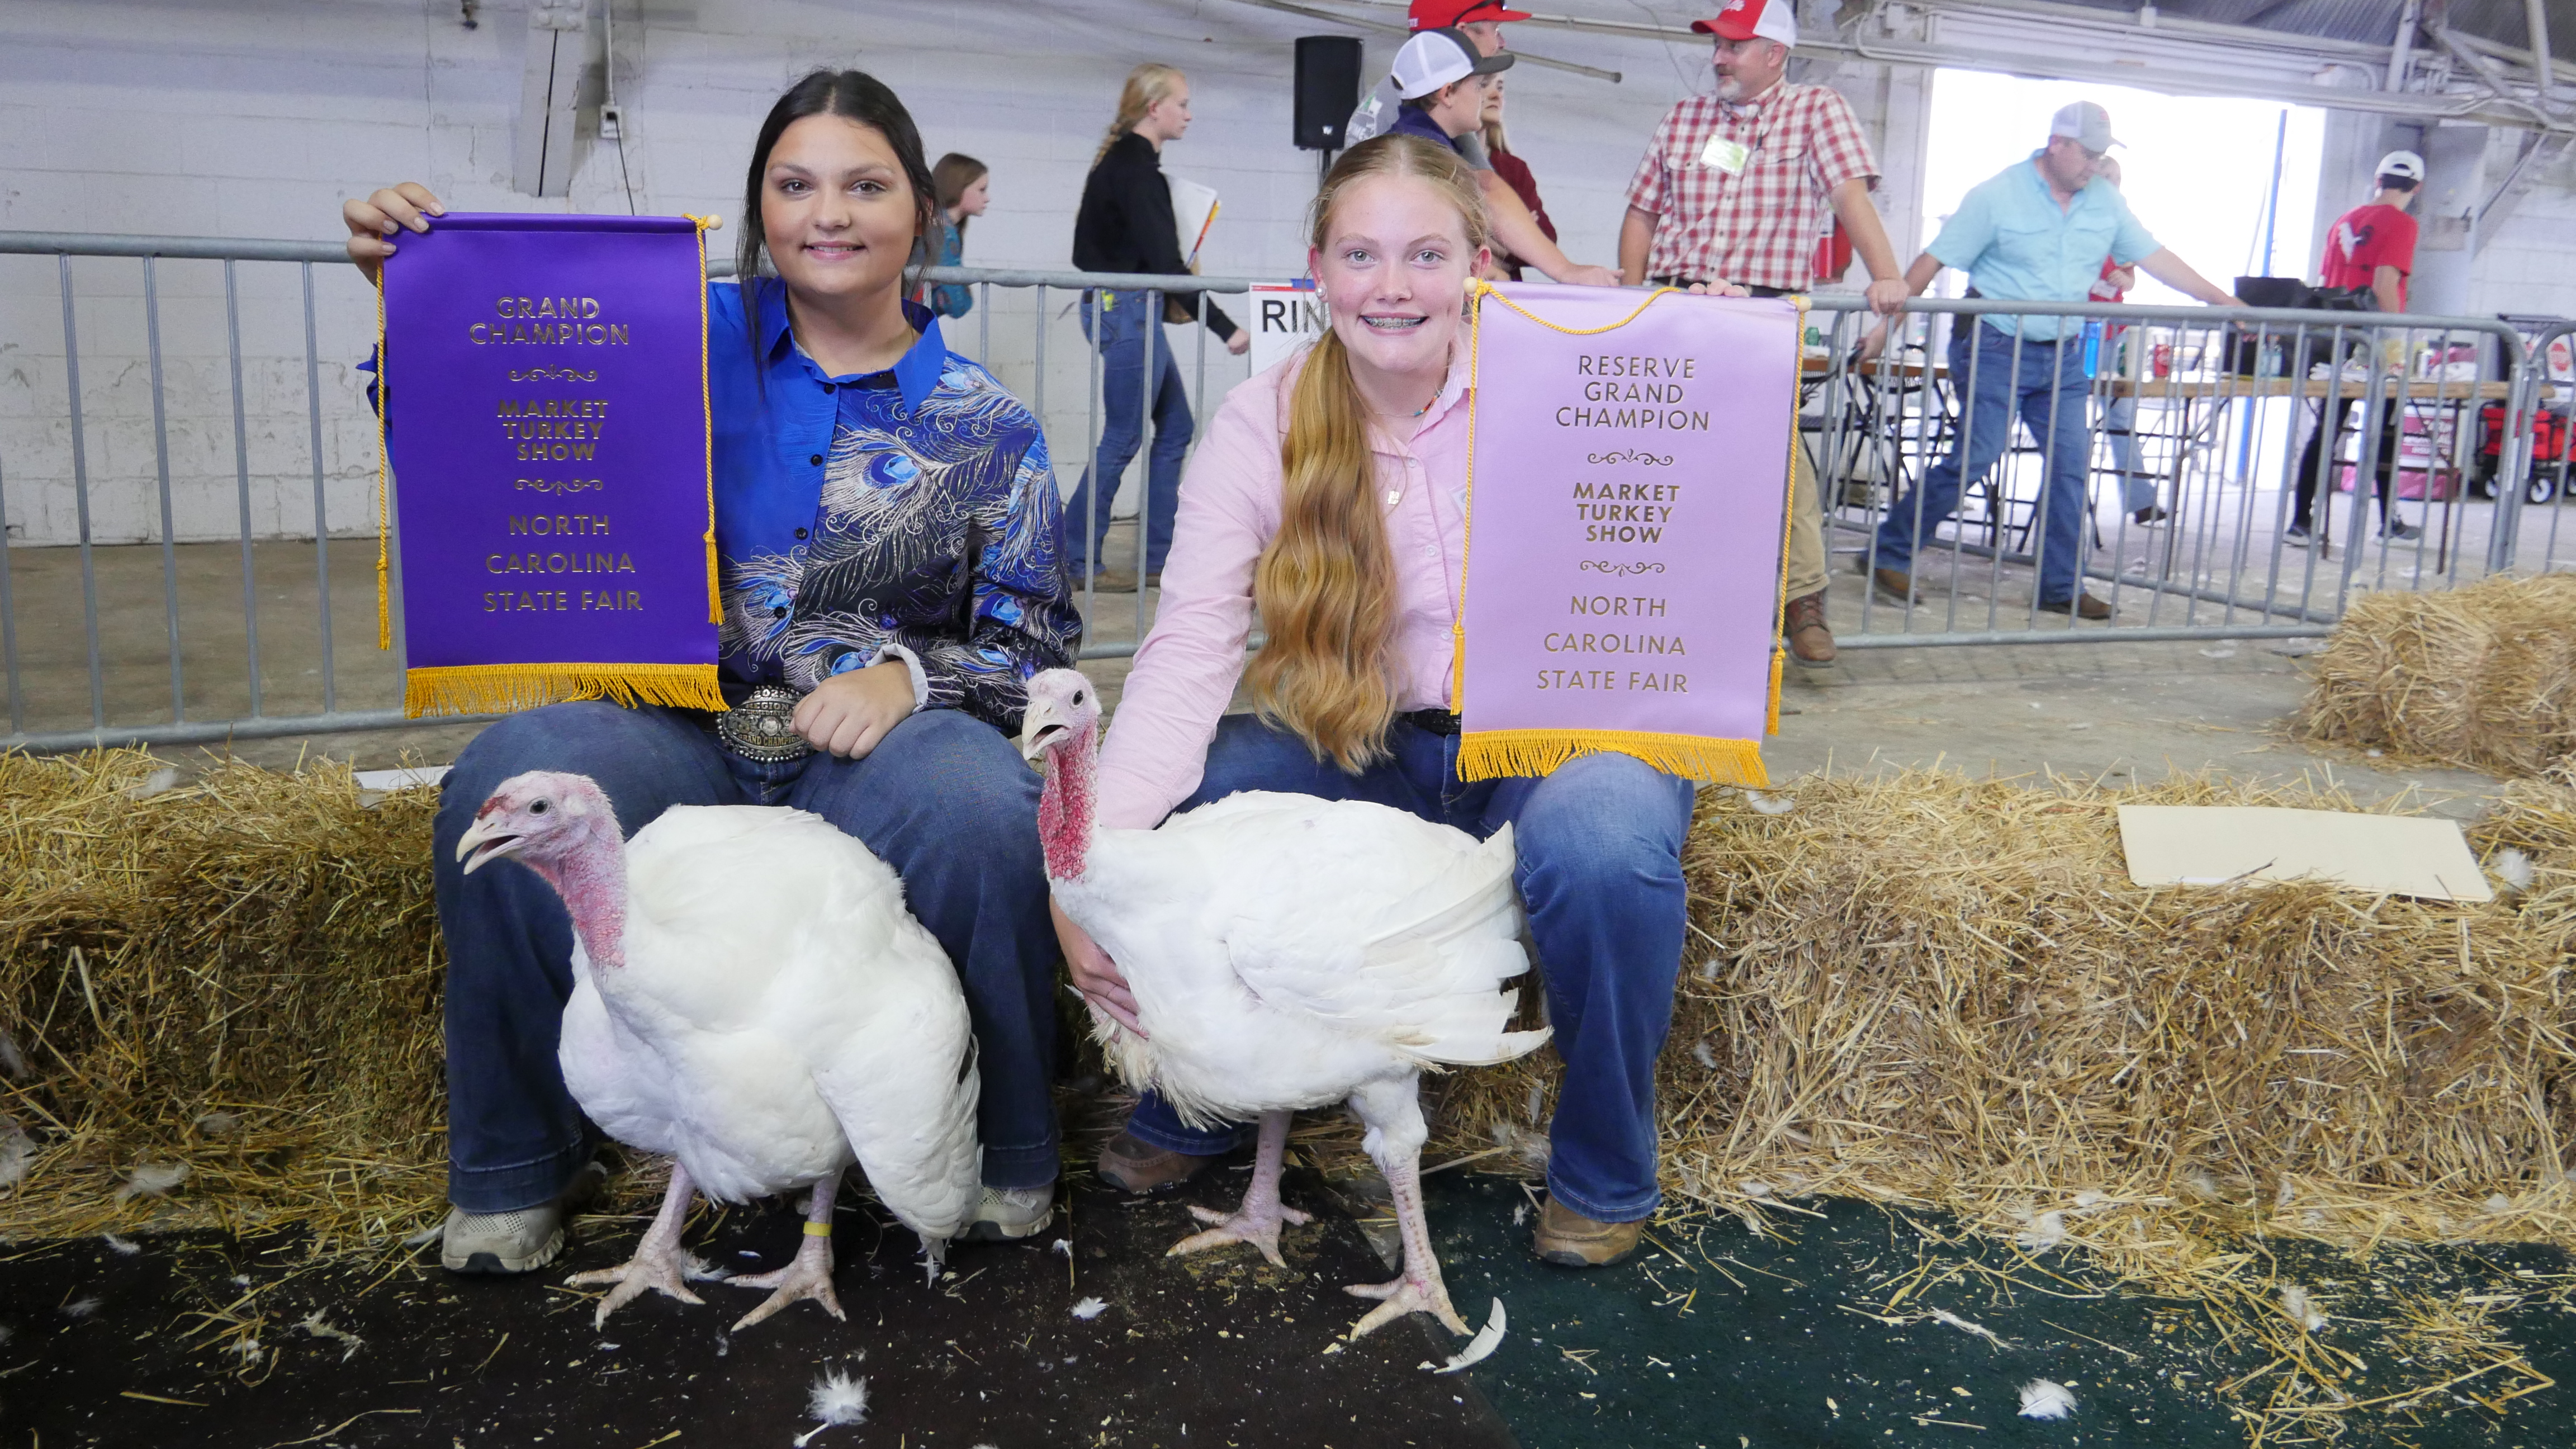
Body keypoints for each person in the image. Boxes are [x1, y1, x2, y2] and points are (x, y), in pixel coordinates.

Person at [342, 69, 1081, 1276]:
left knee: (980, 805)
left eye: (865, 184)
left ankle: (1004, 1148)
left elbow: (1035, 647)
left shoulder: (986, 421)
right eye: (794, 185)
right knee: (517, 771)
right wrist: (411, 306)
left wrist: (909, 679)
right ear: (758, 207)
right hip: (678, 725)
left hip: (870, 750)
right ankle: (520, 1162)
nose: (827, 213)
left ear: (922, 216)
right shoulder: (664, 342)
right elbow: (483, 421)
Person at [1060, 134, 1701, 1271]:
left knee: (1603, 845)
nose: (1391, 286)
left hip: (1555, 737)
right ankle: (1202, 1096)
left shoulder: (1575, 390)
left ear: (1478, 270)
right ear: (1318, 272)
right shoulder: (1264, 421)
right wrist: (1089, 865)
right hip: (1367, 742)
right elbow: (1186, 653)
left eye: (1425, 253)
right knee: (1208, 795)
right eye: (1361, 254)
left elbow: (1680, 572)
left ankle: (1607, 1165)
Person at [1616, 0, 1910, 667]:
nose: (1718, 57)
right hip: (1676, 301)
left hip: (1761, 307)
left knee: (1777, 457)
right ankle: (1665, 593)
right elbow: (1642, 212)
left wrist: (1886, 279)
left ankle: (1802, 599)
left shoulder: (1816, 109)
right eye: (1717, 45)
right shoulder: (1684, 118)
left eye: (1734, 46)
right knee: (1666, 455)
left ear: (1775, 53)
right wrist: (1634, 306)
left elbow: (1848, 197)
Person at [1868, 101, 2243, 619]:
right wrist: (1885, 327)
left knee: (2071, 467)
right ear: (2056, 144)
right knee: (1976, 457)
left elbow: (2157, 258)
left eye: (2101, 155)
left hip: (2063, 354)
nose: (2094, 165)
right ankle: (1888, 552)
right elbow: (1932, 260)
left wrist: (2223, 301)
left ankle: (2060, 587)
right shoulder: (1997, 195)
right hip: (1995, 344)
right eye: (2087, 154)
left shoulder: (2105, 202)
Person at [1064, 63, 1250, 595]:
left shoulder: (1125, 165)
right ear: (1154, 108)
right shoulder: (1136, 171)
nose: (1188, 114)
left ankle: (1159, 559)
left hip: (1128, 307)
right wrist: (1222, 325)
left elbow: (1087, 253)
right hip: (1128, 311)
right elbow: (1167, 262)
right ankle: (1076, 558)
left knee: (1174, 429)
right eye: (1183, 104)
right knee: (1123, 437)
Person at [1380, 27, 1621, 288]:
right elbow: (1488, 189)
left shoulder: (1411, 141)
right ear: (1447, 93)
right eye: (1480, 85)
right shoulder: (1419, 152)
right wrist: (1566, 271)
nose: (1484, 95)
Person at [2288, 149, 2427, 546]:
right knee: (2384, 432)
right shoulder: (2401, 224)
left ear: (2378, 179)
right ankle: (2389, 522)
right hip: (2371, 340)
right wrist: (2396, 343)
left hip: (2335, 336)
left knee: (2326, 429)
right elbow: (2385, 285)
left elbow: (2324, 278)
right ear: (2416, 188)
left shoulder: (2343, 221)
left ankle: (2300, 521)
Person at [2086, 157, 2161, 526]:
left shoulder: (2123, 225)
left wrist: (2122, 280)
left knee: (2118, 414)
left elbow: (2132, 279)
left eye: (2116, 177)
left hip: (2111, 332)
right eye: (2104, 176)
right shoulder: (2072, 219)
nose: (2111, 183)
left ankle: (2141, 499)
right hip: (2075, 330)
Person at [1478, 75, 1554, 282]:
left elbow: (1547, 239)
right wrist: (1517, 231)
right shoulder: (1441, 159)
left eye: (1500, 87)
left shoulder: (1513, 168)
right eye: (1484, 85)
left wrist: (1487, 236)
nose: (1496, 95)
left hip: (1504, 292)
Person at [926, 152, 988, 322]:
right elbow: (958, 306)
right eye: (981, 190)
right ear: (958, 187)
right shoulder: (942, 230)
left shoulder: (935, 224)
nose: (987, 198)